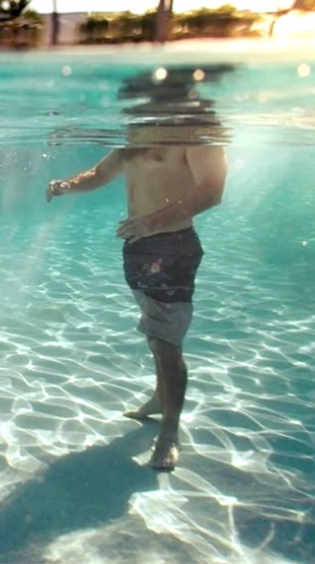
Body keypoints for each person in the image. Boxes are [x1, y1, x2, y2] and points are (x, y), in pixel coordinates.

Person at [46, 126, 227, 472]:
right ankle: (161, 399)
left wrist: (153, 223)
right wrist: (65, 185)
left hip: (172, 246)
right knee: (157, 337)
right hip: (138, 249)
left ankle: (170, 434)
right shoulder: (133, 143)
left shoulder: (192, 134)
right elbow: (99, 174)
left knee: (167, 342)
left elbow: (211, 191)